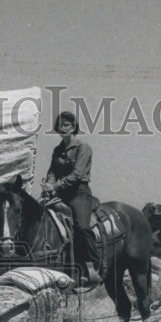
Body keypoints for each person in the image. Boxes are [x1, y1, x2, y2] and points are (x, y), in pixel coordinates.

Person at [42, 111, 103, 287]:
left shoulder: (83, 147)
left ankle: (93, 265)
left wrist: (55, 186)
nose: (63, 128)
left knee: (81, 227)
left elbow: (76, 174)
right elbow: (52, 171)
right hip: (60, 193)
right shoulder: (57, 150)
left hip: (79, 193)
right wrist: (48, 185)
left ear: (73, 127)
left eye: (67, 125)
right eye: (61, 125)